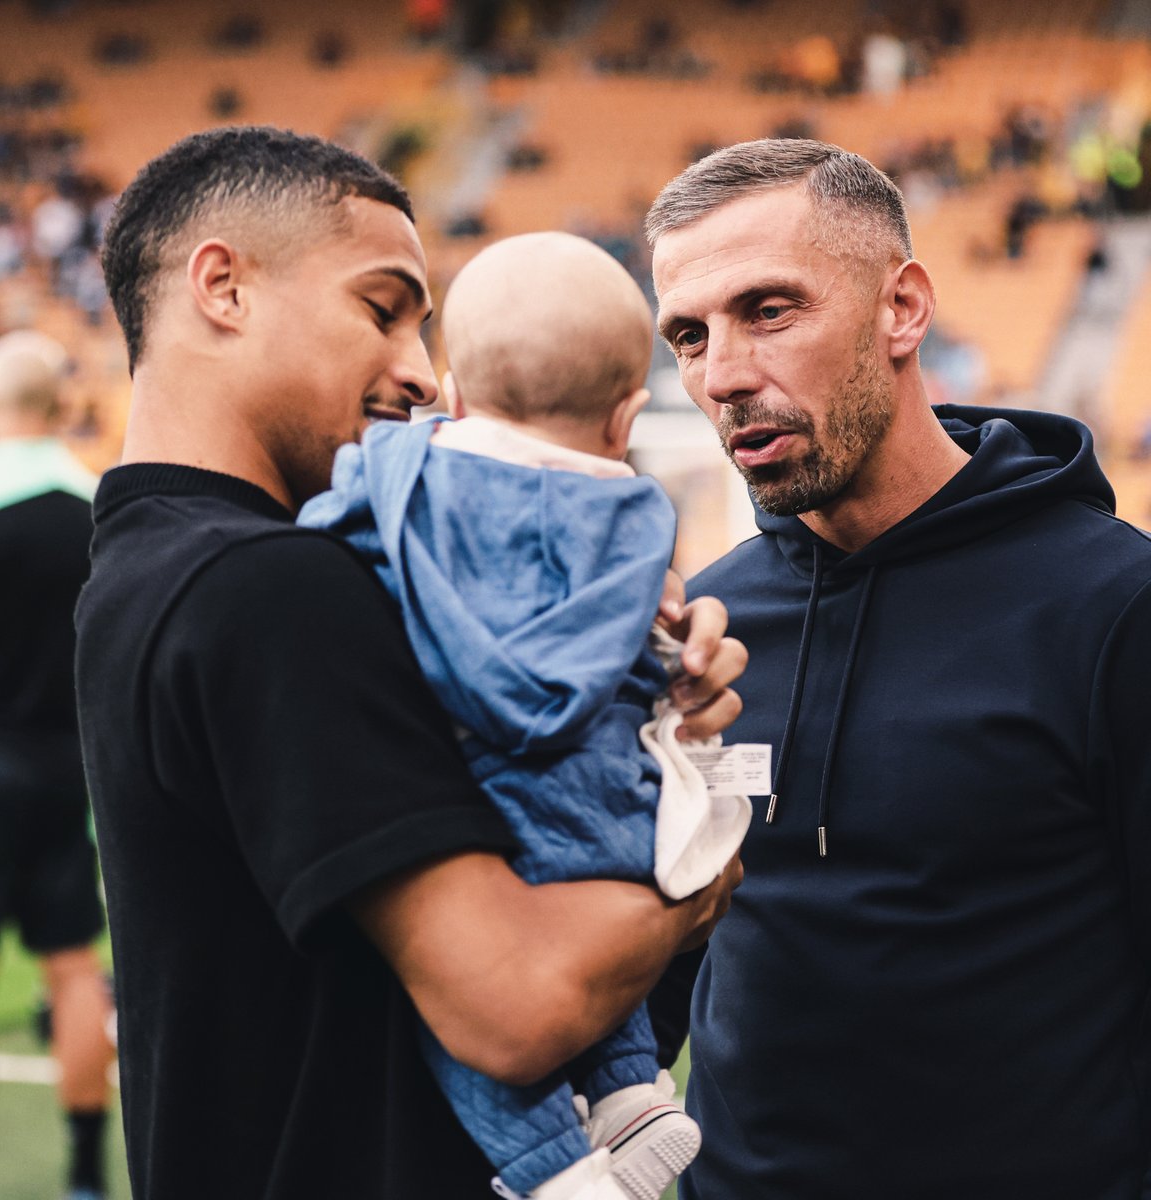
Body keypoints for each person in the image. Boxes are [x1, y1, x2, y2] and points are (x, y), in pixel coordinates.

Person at [74, 125, 746, 1200]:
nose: (422, 376)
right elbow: (517, 1005)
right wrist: (699, 858)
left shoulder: (151, 567)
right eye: (382, 309)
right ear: (222, 286)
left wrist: (636, 705)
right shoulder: (267, 588)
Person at [643, 137, 1151, 1199]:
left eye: (769, 311)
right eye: (689, 335)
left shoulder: (1114, 607)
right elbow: (661, 961)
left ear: (903, 310)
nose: (723, 374)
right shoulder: (704, 621)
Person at [299, 231, 752, 1200]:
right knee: (601, 926)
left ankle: (554, 1168)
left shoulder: (410, 488)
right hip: (604, 795)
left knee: (464, 997)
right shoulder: (636, 517)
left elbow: (336, 539)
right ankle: (633, 1090)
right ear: (627, 417)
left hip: (484, 780)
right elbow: (655, 634)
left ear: (454, 394)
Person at [0, 331, 114, 1200]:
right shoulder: (100, 509)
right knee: (75, 968)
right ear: (61, 404)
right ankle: (88, 1176)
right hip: (71, 780)